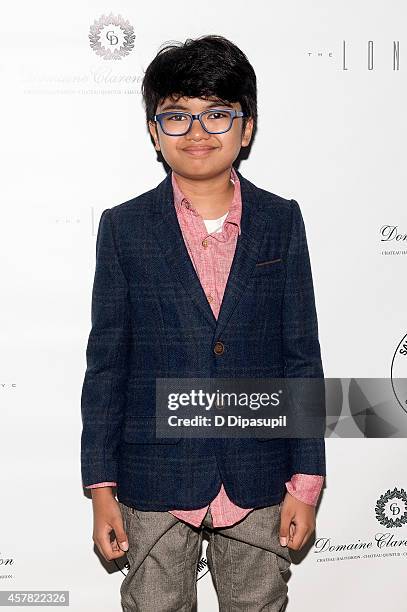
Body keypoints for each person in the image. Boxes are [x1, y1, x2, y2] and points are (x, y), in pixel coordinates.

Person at [81, 34, 326, 612]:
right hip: (153, 478)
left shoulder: (281, 221)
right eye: (178, 116)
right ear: (152, 130)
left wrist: (307, 481)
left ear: (247, 127)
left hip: (260, 476)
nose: (198, 132)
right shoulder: (124, 229)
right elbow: (107, 367)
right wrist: (100, 488)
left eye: (218, 114)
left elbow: (302, 357)